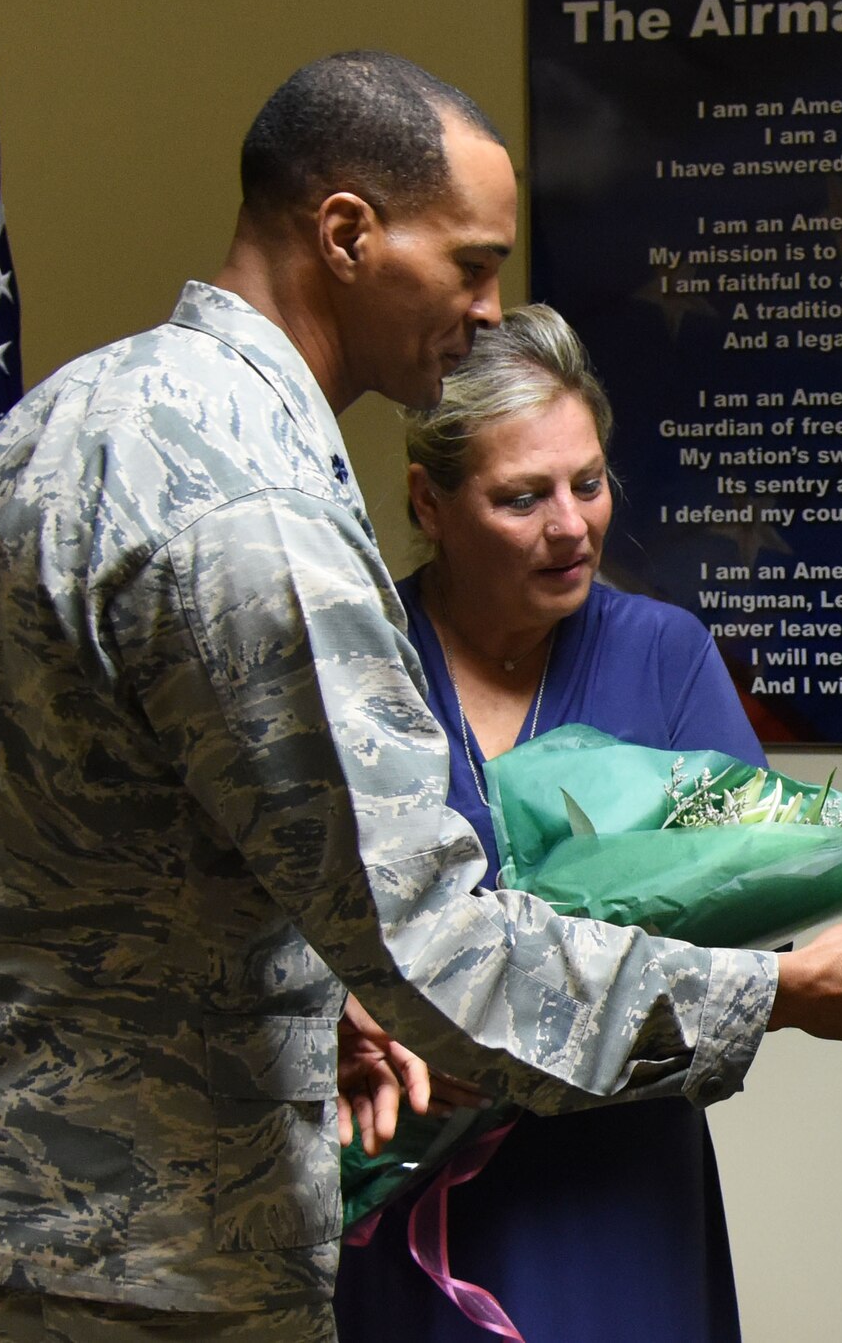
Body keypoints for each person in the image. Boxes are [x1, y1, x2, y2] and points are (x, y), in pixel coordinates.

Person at [0, 50, 842, 1342]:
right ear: (346, 231)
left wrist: (308, 1000)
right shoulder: (254, 511)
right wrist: (784, 989)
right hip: (125, 1244)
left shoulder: (88, 403)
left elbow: (104, 838)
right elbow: (435, 945)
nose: (488, 307)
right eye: (470, 262)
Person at [331, 303, 760, 1341]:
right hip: (405, 1188)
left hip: (615, 1188)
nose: (571, 526)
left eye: (588, 482)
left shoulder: (665, 657)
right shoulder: (357, 666)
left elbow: (752, 931)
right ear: (427, 502)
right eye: (522, 497)